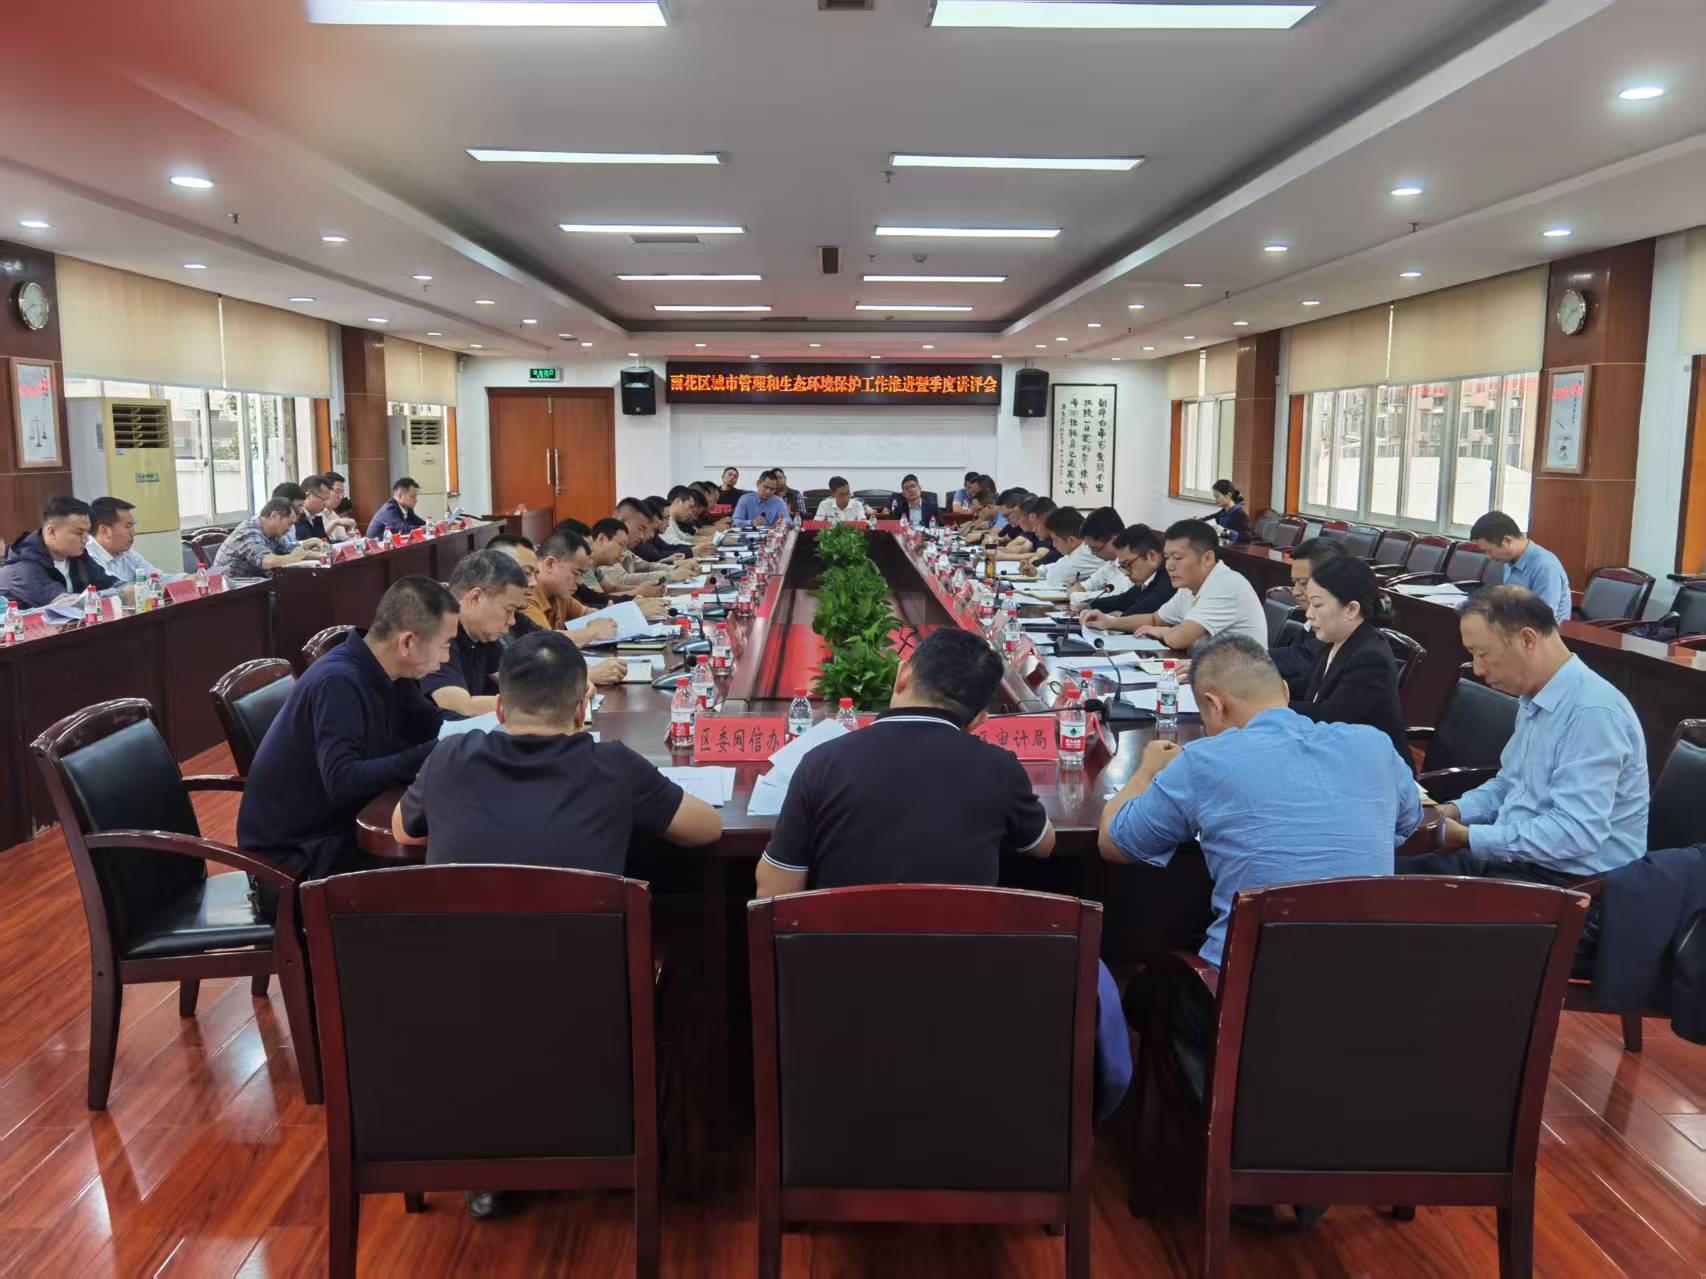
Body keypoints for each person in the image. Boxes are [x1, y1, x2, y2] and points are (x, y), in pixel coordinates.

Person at [754, 627, 1132, 1126]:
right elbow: (1044, 847)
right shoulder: (997, 767)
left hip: (842, 993)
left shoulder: (822, 762)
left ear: (903, 673)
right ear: (980, 719)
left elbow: (774, 895)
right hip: (968, 996)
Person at [1098, 633, 1419, 1126]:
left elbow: (1116, 842)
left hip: (1250, 1002)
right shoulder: (1374, 746)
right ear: (1285, 695)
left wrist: (1146, 771)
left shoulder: (1205, 761)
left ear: (1212, 705)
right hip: (1372, 991)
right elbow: (1408, 823)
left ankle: (1226, 1134)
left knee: (1148, 987)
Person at [396, 630, 722, 869]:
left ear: (499, 710)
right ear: (581, 709)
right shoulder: (616, 766)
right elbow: (707, 828)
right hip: (583, 961)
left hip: (461, 960)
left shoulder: (449, 755)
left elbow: (403, 830)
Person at [1404, 585, 1648, 883]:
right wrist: (1451, 812)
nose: (1478, 669)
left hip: (1565, 883)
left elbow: (1574, 833)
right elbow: (1511, 784)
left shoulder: (1592, 713)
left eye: (1482, 654)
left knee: (1389, 891)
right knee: (1383, 862)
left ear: (1527, 639)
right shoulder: (1536, 696)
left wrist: (1469, 838)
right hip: (1519, 858)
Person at [237, 576, 457, 900]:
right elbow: (343, 781)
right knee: (442, 869)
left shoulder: (392, 671)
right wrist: (435, 752)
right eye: (445, 644)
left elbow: (433, 723)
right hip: (295, 863)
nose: (447, 658)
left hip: (338, 830)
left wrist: (484, 730)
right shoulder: (338, 682)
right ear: (407, 642)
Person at [1291, 556, 1409, 761]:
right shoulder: (1336, 641)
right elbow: (1308, 687)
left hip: (1373, 770)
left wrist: (1272, 702)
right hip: (1336, 754)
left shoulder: (1371, 658)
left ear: (1351, 610)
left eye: (1317, 605)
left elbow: (1328, 719)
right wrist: (1269, 687)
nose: (1309, 614)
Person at [1080, 519, 1265, 649]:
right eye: (1167, 557)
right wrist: (1109, 622)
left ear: (1207, 558)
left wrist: (1161, 631)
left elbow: (1178, 638)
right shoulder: (1190, 585)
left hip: (1243, 683)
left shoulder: (1225, 584)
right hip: (1213, 671)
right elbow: (1155, 619)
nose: (1168, 565)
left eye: (1177, 558)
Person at [422, 549, 531, 718]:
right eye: (508, 610)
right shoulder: (437, 630)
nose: (512, 621)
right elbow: (462, 706)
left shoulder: (483, 634)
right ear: (476, 598)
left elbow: (515, 678)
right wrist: (537, 701)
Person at [520, 528, 628, 685]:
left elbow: (590, 613)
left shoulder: (558, 594)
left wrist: (603, 621)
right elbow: (544, 643)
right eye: (576, 573)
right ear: (550, 564)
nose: (579, 581)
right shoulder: (526, 597)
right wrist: (592, 632)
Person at [0, 496, 118, 607]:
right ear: (52, 532)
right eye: (79, 533)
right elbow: (68, 604)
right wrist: (114, 593)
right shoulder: (23, 568)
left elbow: (110, 583)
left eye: (88, 532)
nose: (86, 539)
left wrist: (126, 588)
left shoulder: (78, 556)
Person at [1269, 537, 1343, 698]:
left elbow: (1300, 664)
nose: (1295, 592)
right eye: (1294, 582)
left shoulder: (1338, 632)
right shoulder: (1312, 621)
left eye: (1303, 583)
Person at [1470, 510, 1571, 624]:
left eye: (1489, 550)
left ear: (1507, 540)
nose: (1488, 557)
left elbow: (1543, 620)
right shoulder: (1509, 560)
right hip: (1516, 625)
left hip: (1541, 634)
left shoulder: (1545, 567)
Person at [1077, 524, 1175, 619]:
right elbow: (1124, 599)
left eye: (1128, 565)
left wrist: (1120, 617)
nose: (1126, 573)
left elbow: (1140, 613)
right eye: (1123, 567)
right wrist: (1089, 604)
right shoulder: (1148, 579)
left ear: (1151, 557)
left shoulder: (1169, 580)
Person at [211, 498, 312, 578]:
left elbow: (290, 548)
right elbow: (266, 561)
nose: (290, 529)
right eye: (289, 524)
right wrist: (293, 558)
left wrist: (322, 555)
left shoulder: (273, 532)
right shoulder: (249, 531)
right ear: (274, 516)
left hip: (255, 587)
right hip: (231, 592)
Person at [85, 496, 166, 585]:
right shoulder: (87, 557)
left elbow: (156, 577)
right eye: (128, 526)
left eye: (133, 525)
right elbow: (116, 589)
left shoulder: (128, 553)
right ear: (105, 531)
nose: (133, 533)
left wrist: (182, 578)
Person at [1058, 506, 1127, 593]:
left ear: (1114, 540)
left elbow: (1119, 597)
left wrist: (1078, 595)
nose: (1094, 554)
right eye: (1090, 549)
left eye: (1095, 549)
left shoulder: (1130, 565)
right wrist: (1079, 587)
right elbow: (1089, 584)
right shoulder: (1110, 564)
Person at [366, 476, 428, 541]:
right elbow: (401, 529)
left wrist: (433, 524)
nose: (416, 500)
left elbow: (420, 523)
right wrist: (423, 528)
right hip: (377, 548)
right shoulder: (389, 509)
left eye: (416, 496)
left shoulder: (407, 508)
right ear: (400, 495)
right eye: (412, 496)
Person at [294, 475, 336, 543]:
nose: (325, 504)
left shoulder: (315, 518)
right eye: (323, 499)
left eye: (327, 499)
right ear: (308, 496)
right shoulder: (297, 519)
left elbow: (325, 543)